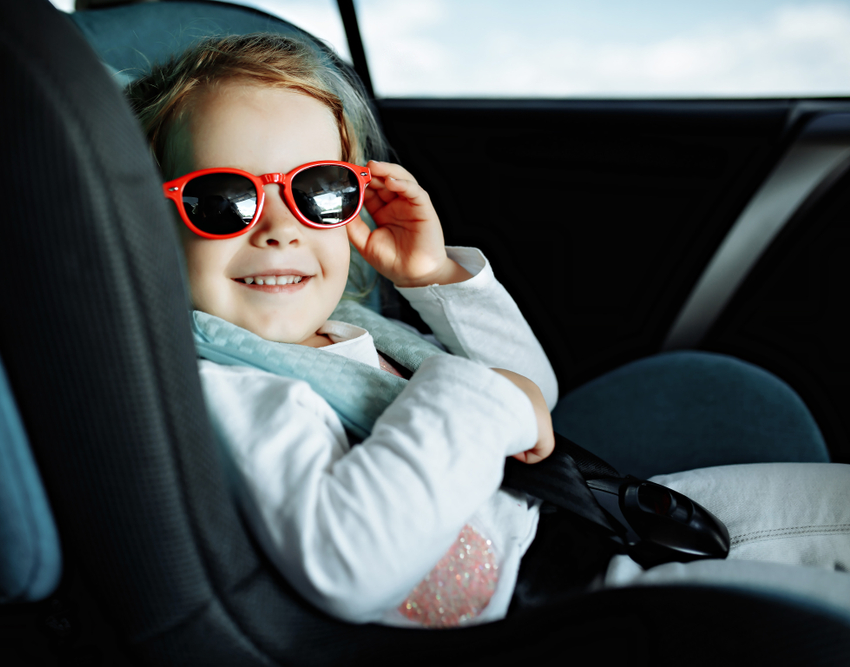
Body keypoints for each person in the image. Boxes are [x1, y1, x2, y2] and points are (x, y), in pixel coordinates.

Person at [125, 32, 850, 629]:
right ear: (148, 231)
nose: (281, 229)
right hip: (551, 615)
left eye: (318, 191)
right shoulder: (227, 388)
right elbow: (348, 563)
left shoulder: (350, 327)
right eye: (223, 199)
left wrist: (433, 278)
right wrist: (483, 398)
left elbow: (531, 392)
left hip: (579, 525)